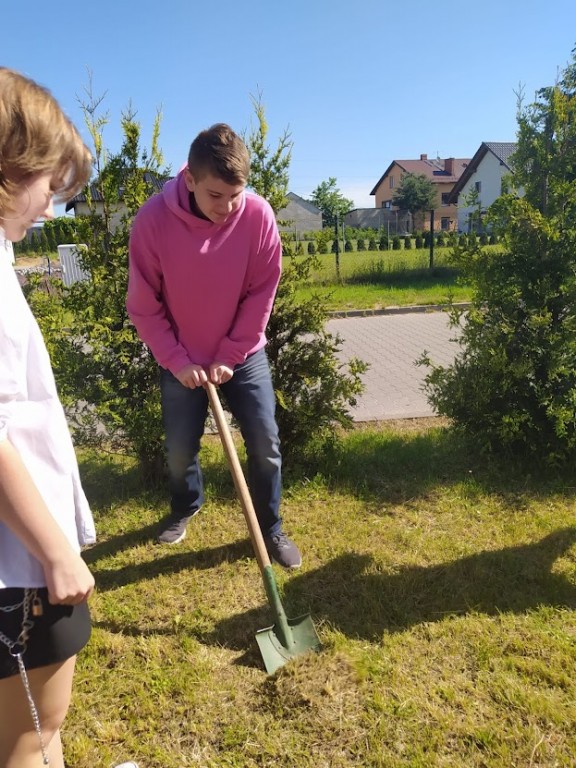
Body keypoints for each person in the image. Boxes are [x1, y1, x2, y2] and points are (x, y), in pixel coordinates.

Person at [0, 68, 137, 768]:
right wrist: (55, 549)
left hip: (21, 555)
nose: (51, 210)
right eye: (48, 187)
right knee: (31, 733)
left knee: (41, 730)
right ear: (9, 163)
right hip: (18, 564)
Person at [127, 123, 301, 569]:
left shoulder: (258, 216)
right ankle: (185, 507)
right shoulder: (152, 221)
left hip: (242, 355)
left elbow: (263, 290)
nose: (227, 207)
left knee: (265, 442)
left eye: (235, 195)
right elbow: (144, 306)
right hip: (180, 357)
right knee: (180, 447)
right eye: (215, 196)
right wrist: (177, 361)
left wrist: (230, 354)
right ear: (189, 180)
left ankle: (270, 527)